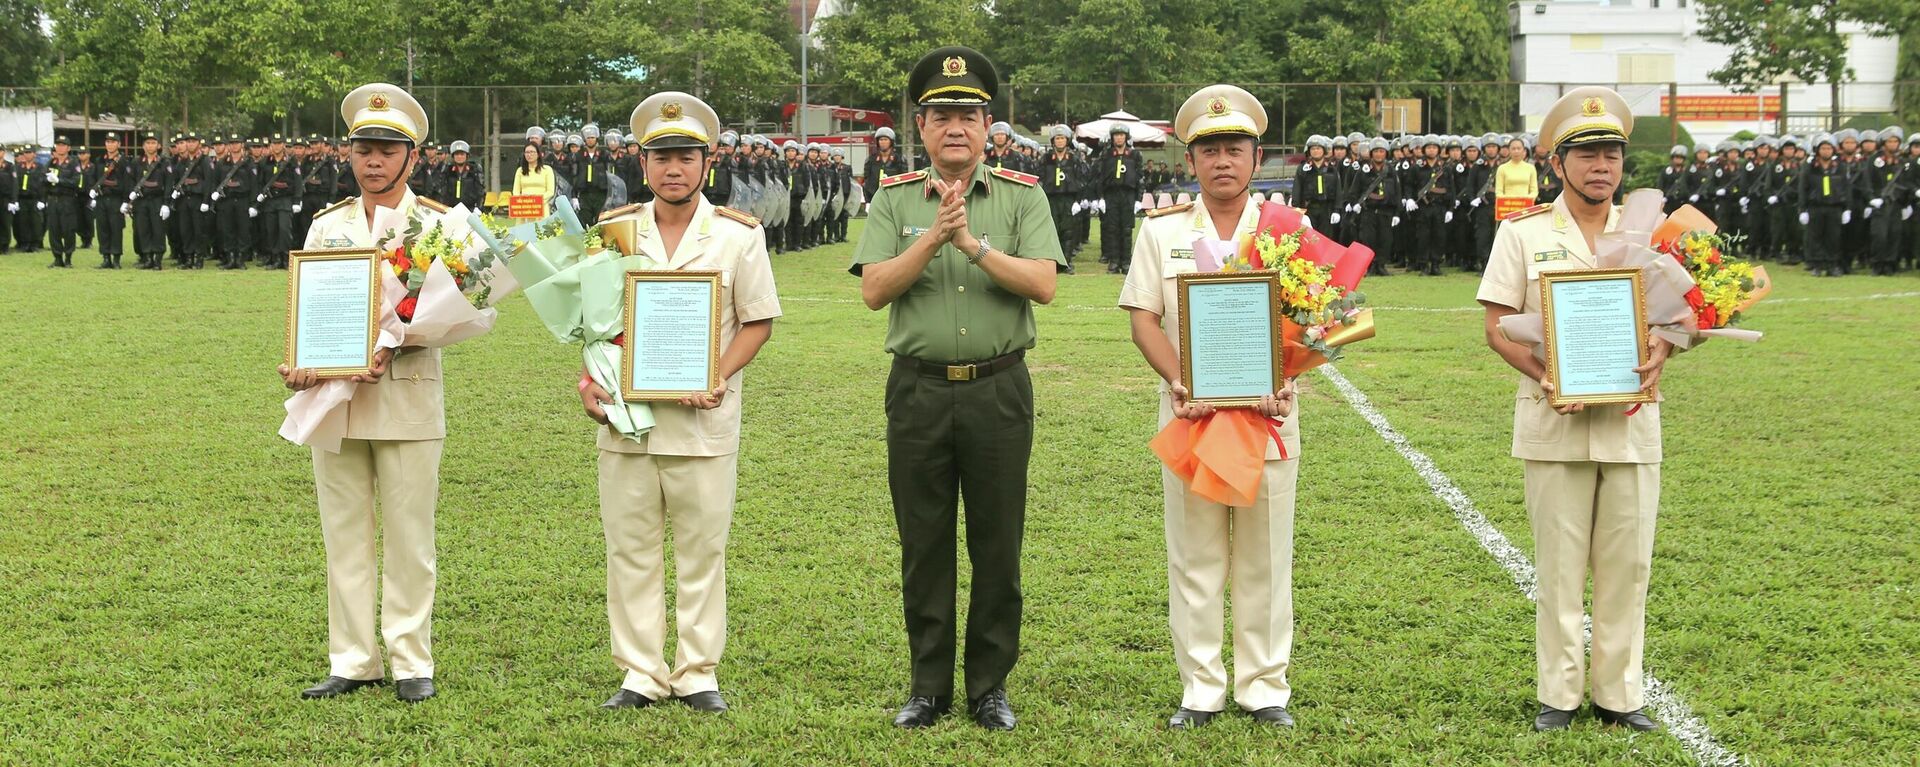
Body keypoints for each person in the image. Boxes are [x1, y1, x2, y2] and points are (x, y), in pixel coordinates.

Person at [850, 45, 1064, 733]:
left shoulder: (1022, 195)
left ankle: (989, 687)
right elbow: (875, 290)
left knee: (998, 544)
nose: (955, 128)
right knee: (925, 542)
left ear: (988, 126)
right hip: (917, 391)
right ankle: (929, 685)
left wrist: (972, 244)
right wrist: (933, 239)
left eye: (968, 115)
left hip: (999, 393)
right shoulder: (892, 198)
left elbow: (1044, 284)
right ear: (921, 125)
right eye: (941, 114)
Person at [1477, 86, 1672, 734]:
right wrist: (1548, 377)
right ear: (1557, 164)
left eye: (1612, 153)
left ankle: (1619, 694)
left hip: (1630, 424)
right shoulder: (1524, 233)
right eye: (1586, 154)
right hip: (1554, 422)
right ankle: (1558, 694)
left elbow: (1678, 318)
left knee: (1628, 564)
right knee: (1559, 569)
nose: (1602, 166)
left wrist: (1665, 346)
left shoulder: (1650, 234)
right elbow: (1498, 326)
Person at [580, 91, 781, 714]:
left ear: (707, 163)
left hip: (702, 419)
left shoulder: (737, 237)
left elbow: (757, 321)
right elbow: (592, 326)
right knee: (631, 549)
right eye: (662, 156)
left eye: (686, 157)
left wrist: (717, 374)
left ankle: (697, 673)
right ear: (643, 164)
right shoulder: (612, 233)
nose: (674, 168)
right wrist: (590, 383)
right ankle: (641, 672)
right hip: (629, 421)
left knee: (702, 549)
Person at [1119, 84, 1302, 731]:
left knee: (1265, 557)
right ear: (1190, 161)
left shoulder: (1287, 229)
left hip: (1268, 417)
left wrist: (1290, 377)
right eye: (1210, 150)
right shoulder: (1162, 230)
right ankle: (1201, 688)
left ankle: (1263, 687)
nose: (1223, 160)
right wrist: (1178, 380)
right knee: (1196, 556)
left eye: (1235, 148)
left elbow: (1311, 321)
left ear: (1257, 158)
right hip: (1191, 417)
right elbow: (1144, 317)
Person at [282, 82, 449, 705]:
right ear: (348, 155)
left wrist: (394, 341)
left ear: (413, 156)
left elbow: (453, 312)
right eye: (363, 149)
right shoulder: (327, 225)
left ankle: (410, 660)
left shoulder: (435, 225)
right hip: (335, 402)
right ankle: (353, 660)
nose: (373, 160)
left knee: (410, 538)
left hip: (405, 394)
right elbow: (310, 309)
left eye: (387, 149)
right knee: (343, 534)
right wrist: (302, 364)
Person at [1097, 124, 1143, 273]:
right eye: (1116, 135)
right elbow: (1100, 176)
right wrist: (1100, 197)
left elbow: (1140, 177)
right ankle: (1114, 261)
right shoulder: (1106, 154)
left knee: (1127, 229)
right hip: (1111, 194)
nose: (1119, 137)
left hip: (1128, 194)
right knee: (1112, 229)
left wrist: (1138, 198)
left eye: (1121, 135)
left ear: (1126, 137)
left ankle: (1126, 261)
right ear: (1112, 137)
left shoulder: (1135, 155)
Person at [42, 136, 85, 268]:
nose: (60, 147)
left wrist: (59, 181)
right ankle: (57, 257)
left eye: (63, 145)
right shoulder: (51, 163)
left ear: (68, 148)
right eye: (58, 145)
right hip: (53, 199)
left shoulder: (73, 163)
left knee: (68, 229)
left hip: (67, 200)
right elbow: (41, 181)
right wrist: (47, 181)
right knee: (54, 229)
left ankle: (68, 258)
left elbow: (76, 182)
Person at [91, 134, 133, 268]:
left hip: (116, 199)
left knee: (116, 229)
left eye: (113, 142)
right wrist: (92, 193)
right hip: (102, 199)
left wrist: (126, 201)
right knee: (102, 228)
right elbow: (93, 178)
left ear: (119, 144)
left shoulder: (124, 161)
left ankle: (116, 259)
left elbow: (127, 182)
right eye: (108, 141)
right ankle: (105, 257)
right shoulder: (99, 160)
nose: (110, 144)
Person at [512, 143, 558, 209]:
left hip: (541, 207)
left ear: (538, 154)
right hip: (524, 207)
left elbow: (550, 192)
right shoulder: (520, 170)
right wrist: (523, 201)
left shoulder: (547, 170)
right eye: (527, 152)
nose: (529, 155)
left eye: (532, 152)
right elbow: (515, 191)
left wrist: (535, 200)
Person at [442, 141, 484, 211]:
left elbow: (480, 191)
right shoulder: (447, 170)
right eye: (457, 154)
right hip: (451, 209)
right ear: (453, 156)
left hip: (470, 208)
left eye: (462, 154)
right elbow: (442, 190)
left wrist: (478, 208)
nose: (459, 157)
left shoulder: (474, 169)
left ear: (467, 155)